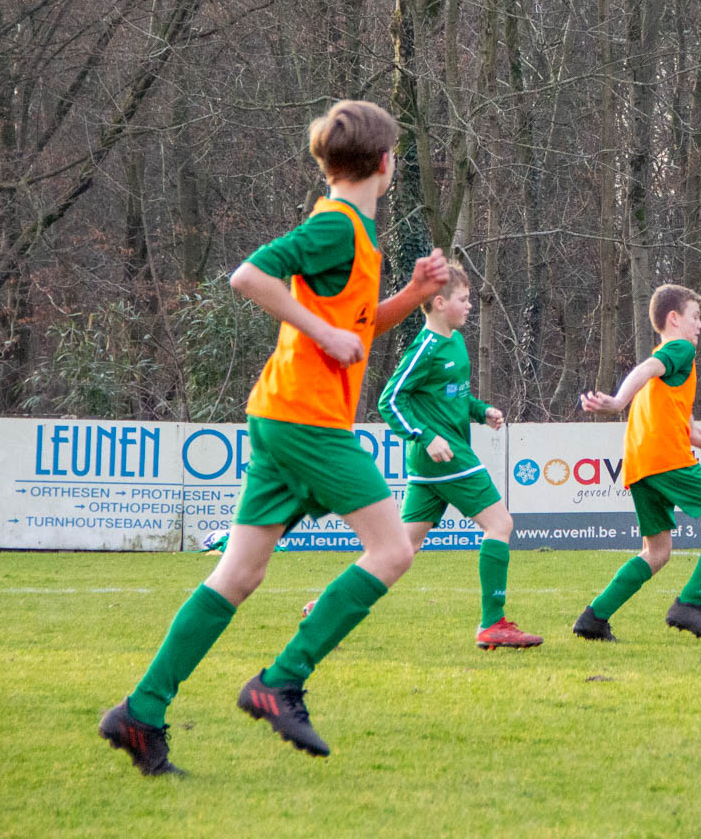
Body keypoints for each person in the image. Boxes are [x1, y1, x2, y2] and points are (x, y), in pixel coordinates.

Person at [100, 100, 449, 775]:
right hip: (306, 420)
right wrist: (323, 334)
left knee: (239, 573)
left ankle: (141, 712)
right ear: (386, 165)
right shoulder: (338, 228)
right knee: (392, 550)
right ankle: (280, 682)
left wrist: (410, 294)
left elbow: (357, 324)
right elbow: (248, 276)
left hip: (282, 413)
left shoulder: (354, 235)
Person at [571, 285, 701, 643]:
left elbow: (692, 432)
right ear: (674, 318)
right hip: (667, 460)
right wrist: (620, 400)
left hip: (641, 466)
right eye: (696, 317)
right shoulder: (677, 350)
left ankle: (593, 618)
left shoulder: (668, 370)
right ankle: (689, 606)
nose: (700, 326)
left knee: (657, 552)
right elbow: (646, 368)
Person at [373, 261, 540, 649]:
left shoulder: (456, 342)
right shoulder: (425, 348)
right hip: (444, 457)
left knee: (402, 549)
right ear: (438, 302)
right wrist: (425, 436)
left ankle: (328, 606)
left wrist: (482, 412)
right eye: (463, 300)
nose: (470, 306)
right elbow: (390, 399)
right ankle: (492, 623)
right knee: (500, 524)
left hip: (437, 461)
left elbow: (452, 396)